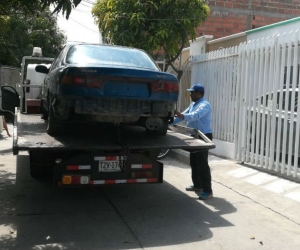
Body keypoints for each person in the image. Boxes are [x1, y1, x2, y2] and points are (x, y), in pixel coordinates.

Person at [171, 83, 213, 200]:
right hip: (194, 136)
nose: (190, 95)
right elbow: (181, 117)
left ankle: (208, 191)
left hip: (203, 137)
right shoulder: (194, 104)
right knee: (194, 162)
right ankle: (197, 185)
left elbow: (195, 115)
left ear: (199, 94)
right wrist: (166, 124)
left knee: (202, 164)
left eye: (192, 93)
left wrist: (182, 115)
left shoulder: (205, 105)